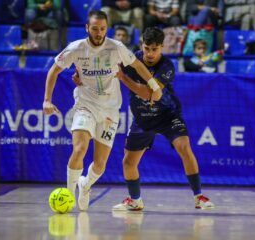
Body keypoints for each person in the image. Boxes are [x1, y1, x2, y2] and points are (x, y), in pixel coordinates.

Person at [42, 10, 162, 211]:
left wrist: (153, 84)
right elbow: (54, 69)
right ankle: (69, 195)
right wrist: (47, 100)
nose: (99, 33)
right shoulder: (76, 48)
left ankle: (85, 185)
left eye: (103, 29)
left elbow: (137, 64)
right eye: (95, 28)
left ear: (107, 29)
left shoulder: (116, 47)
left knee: (100, 164)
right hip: (85, 104)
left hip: (109, 110)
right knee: (79, 149)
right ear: (87, 28)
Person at [112, 27, 215, 210]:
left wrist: (123, 78)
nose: (150, 53)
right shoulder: (131, 59)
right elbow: (107, 68)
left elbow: (149, 94)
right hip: (143, 119)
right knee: (128, 162)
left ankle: (199, 197)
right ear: (141, 45)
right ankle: (135, 200)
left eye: (155, 49)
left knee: (184, 146)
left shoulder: (167, 66)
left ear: (162, 47)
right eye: (147, 48)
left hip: (168, 115)